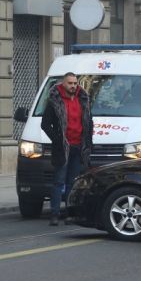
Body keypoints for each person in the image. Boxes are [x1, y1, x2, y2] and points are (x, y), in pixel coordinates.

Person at [41, 72, 93, 226]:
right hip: (63, 147)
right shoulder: (55, 101)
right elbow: (45, 124)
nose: (73, 86)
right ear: (63, 84)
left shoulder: (83, 99)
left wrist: (88, 142)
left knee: (72, 182)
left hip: (79, 146)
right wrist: (57, 140)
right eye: (70, 83)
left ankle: (70, 212)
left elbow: (89, 122)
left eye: (75, 83)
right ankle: (55, 214)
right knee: (58, 181)